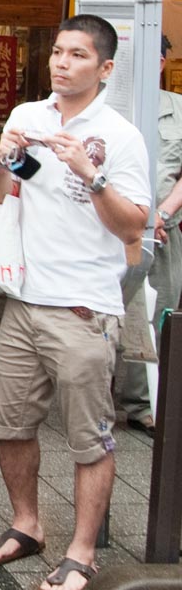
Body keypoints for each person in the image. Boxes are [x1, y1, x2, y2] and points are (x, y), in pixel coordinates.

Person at [0, 14, 150, 590]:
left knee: (88, 436)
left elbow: (135, 224)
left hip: (83, 307)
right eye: (56, 51)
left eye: (77, 55)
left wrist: (89, 173)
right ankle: (27, 523)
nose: (61, 63)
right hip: (24, 299)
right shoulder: (29, 116)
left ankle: (82, 552)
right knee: (8, 423)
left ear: (103, 68)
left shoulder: (121, 136)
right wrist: (1, 160)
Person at [116, 34, 182, 435]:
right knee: (106, 311)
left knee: (161, 313)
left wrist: (163, 211)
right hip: (113, 230)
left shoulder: (178, 109)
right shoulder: (111, 109)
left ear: (160, 62)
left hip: (164, 231)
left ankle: (145, 403)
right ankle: (95, 392)